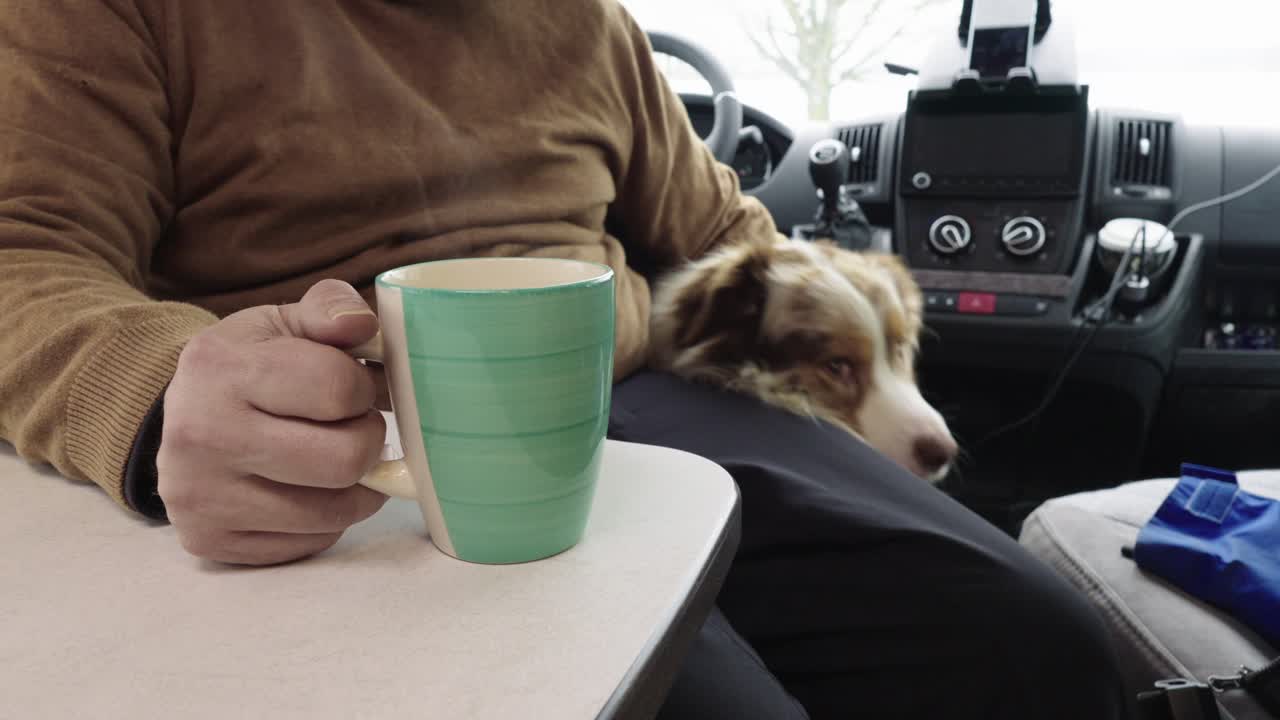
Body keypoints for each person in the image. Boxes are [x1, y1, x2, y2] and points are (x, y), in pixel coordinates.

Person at [0, 1, 1128, 718]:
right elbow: (23, 254)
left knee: (1041, 655)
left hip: (641, 395)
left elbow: (722, 232)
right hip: (347, 461)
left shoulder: (589, 25)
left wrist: (769, 309)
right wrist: (152, 396)